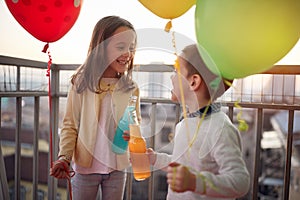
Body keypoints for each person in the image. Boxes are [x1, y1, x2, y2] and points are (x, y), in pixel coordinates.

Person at [50, 15, 141, 200]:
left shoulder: (131, 88)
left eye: (131, 48)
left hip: (118, 169)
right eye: (120, 47)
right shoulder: (81, 83)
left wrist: (134, 134)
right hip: (84, 169)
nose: (127, 54)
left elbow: (135, 125)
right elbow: (70, 125)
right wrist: (64, 157)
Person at [148, 44, 250, 199]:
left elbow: (240, 181)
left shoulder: (220, 128)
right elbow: (183, 165)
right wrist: (154, 158)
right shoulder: (185, 123)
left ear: (193, 82)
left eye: (176, 71)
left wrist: (196, 182)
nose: (171, 76)